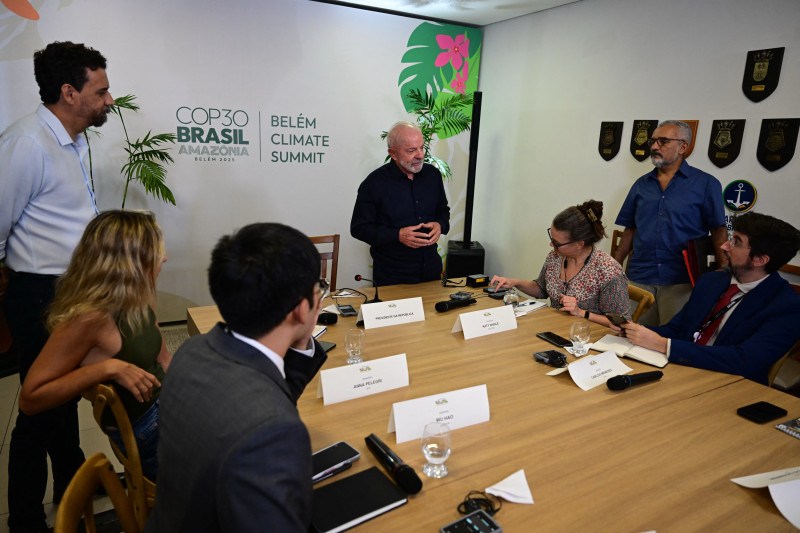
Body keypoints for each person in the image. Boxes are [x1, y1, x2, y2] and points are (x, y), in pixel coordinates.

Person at [145, 223, 328, 532]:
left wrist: (299, 340)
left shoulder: (191, 351)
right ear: (300, 309)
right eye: (318, 289)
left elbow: (266, 393)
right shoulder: (272, 432)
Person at [0, 41, 114, 532]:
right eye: (101, 91)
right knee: (40, 404)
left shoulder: (73, 140)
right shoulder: (27, 143)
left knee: (63, 400)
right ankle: (26, 520)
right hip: (39, 294)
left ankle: (73, 489)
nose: (110, 99)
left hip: (69, 292)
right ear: (69, 92)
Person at [18, 210, 170, 481]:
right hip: (147, 430)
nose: (164, 258)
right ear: (129, 261)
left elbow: (163, 358)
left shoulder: (139, 294)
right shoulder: (90, 317)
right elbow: (30, 399)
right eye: (156, 251)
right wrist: (107, 368)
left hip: (165, 406)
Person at [618, 212, 800, 385]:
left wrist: (664, 345)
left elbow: (744, 361)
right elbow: (677, 330)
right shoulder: (711, 281)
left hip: (731, 386)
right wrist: (632, 330)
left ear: (760, 260)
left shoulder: (787, 306)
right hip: (679, 370)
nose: (724, 246)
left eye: (736, 243)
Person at [614, 120, 727, 327]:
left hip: (681, 280)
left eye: (663, 141)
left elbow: (718, 230)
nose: (655, 146)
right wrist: (615, 266)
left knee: (670, 339)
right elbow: (630, 229)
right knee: (630, 333)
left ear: (683, 147)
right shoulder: (641, 185)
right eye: (653, 141)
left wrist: (723, 271)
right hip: (640, 276)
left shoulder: (706, 184)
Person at [490, 200, 630, 328]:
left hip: (585, 339)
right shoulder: (555, 257)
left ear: (579, 244)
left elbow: (622, 325)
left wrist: (581, 313)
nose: (551, 245)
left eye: (557, 243)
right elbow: (541, 289)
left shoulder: (608, 271)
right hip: (554, 330)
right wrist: (514, 282)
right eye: (552, 238)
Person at [351, 121, 450, 285]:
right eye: (411, 150)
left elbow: (443, 210)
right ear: (393, 153)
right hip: (392, 277)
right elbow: (359, 228)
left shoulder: (433, 175)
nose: (420, 155)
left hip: (431, 272)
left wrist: (440, 224)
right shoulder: (374, 183)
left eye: (421, 148)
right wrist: (398, 235)